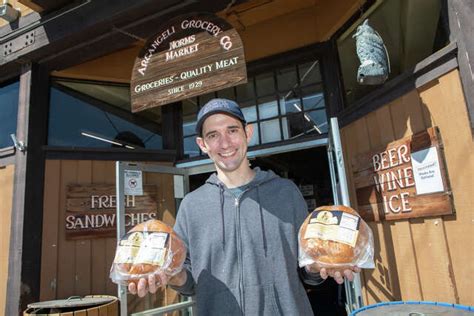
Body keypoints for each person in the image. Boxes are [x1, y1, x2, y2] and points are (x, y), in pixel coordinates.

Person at [129, 98, 360, 315]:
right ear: (203, 144)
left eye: (232, 130)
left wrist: (320, 266)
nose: (225, 143)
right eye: (213, 135)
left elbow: (307, 272)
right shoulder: (192, 206)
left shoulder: (286, 192)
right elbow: (189, 283)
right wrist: (170, 274)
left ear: (247, 133)